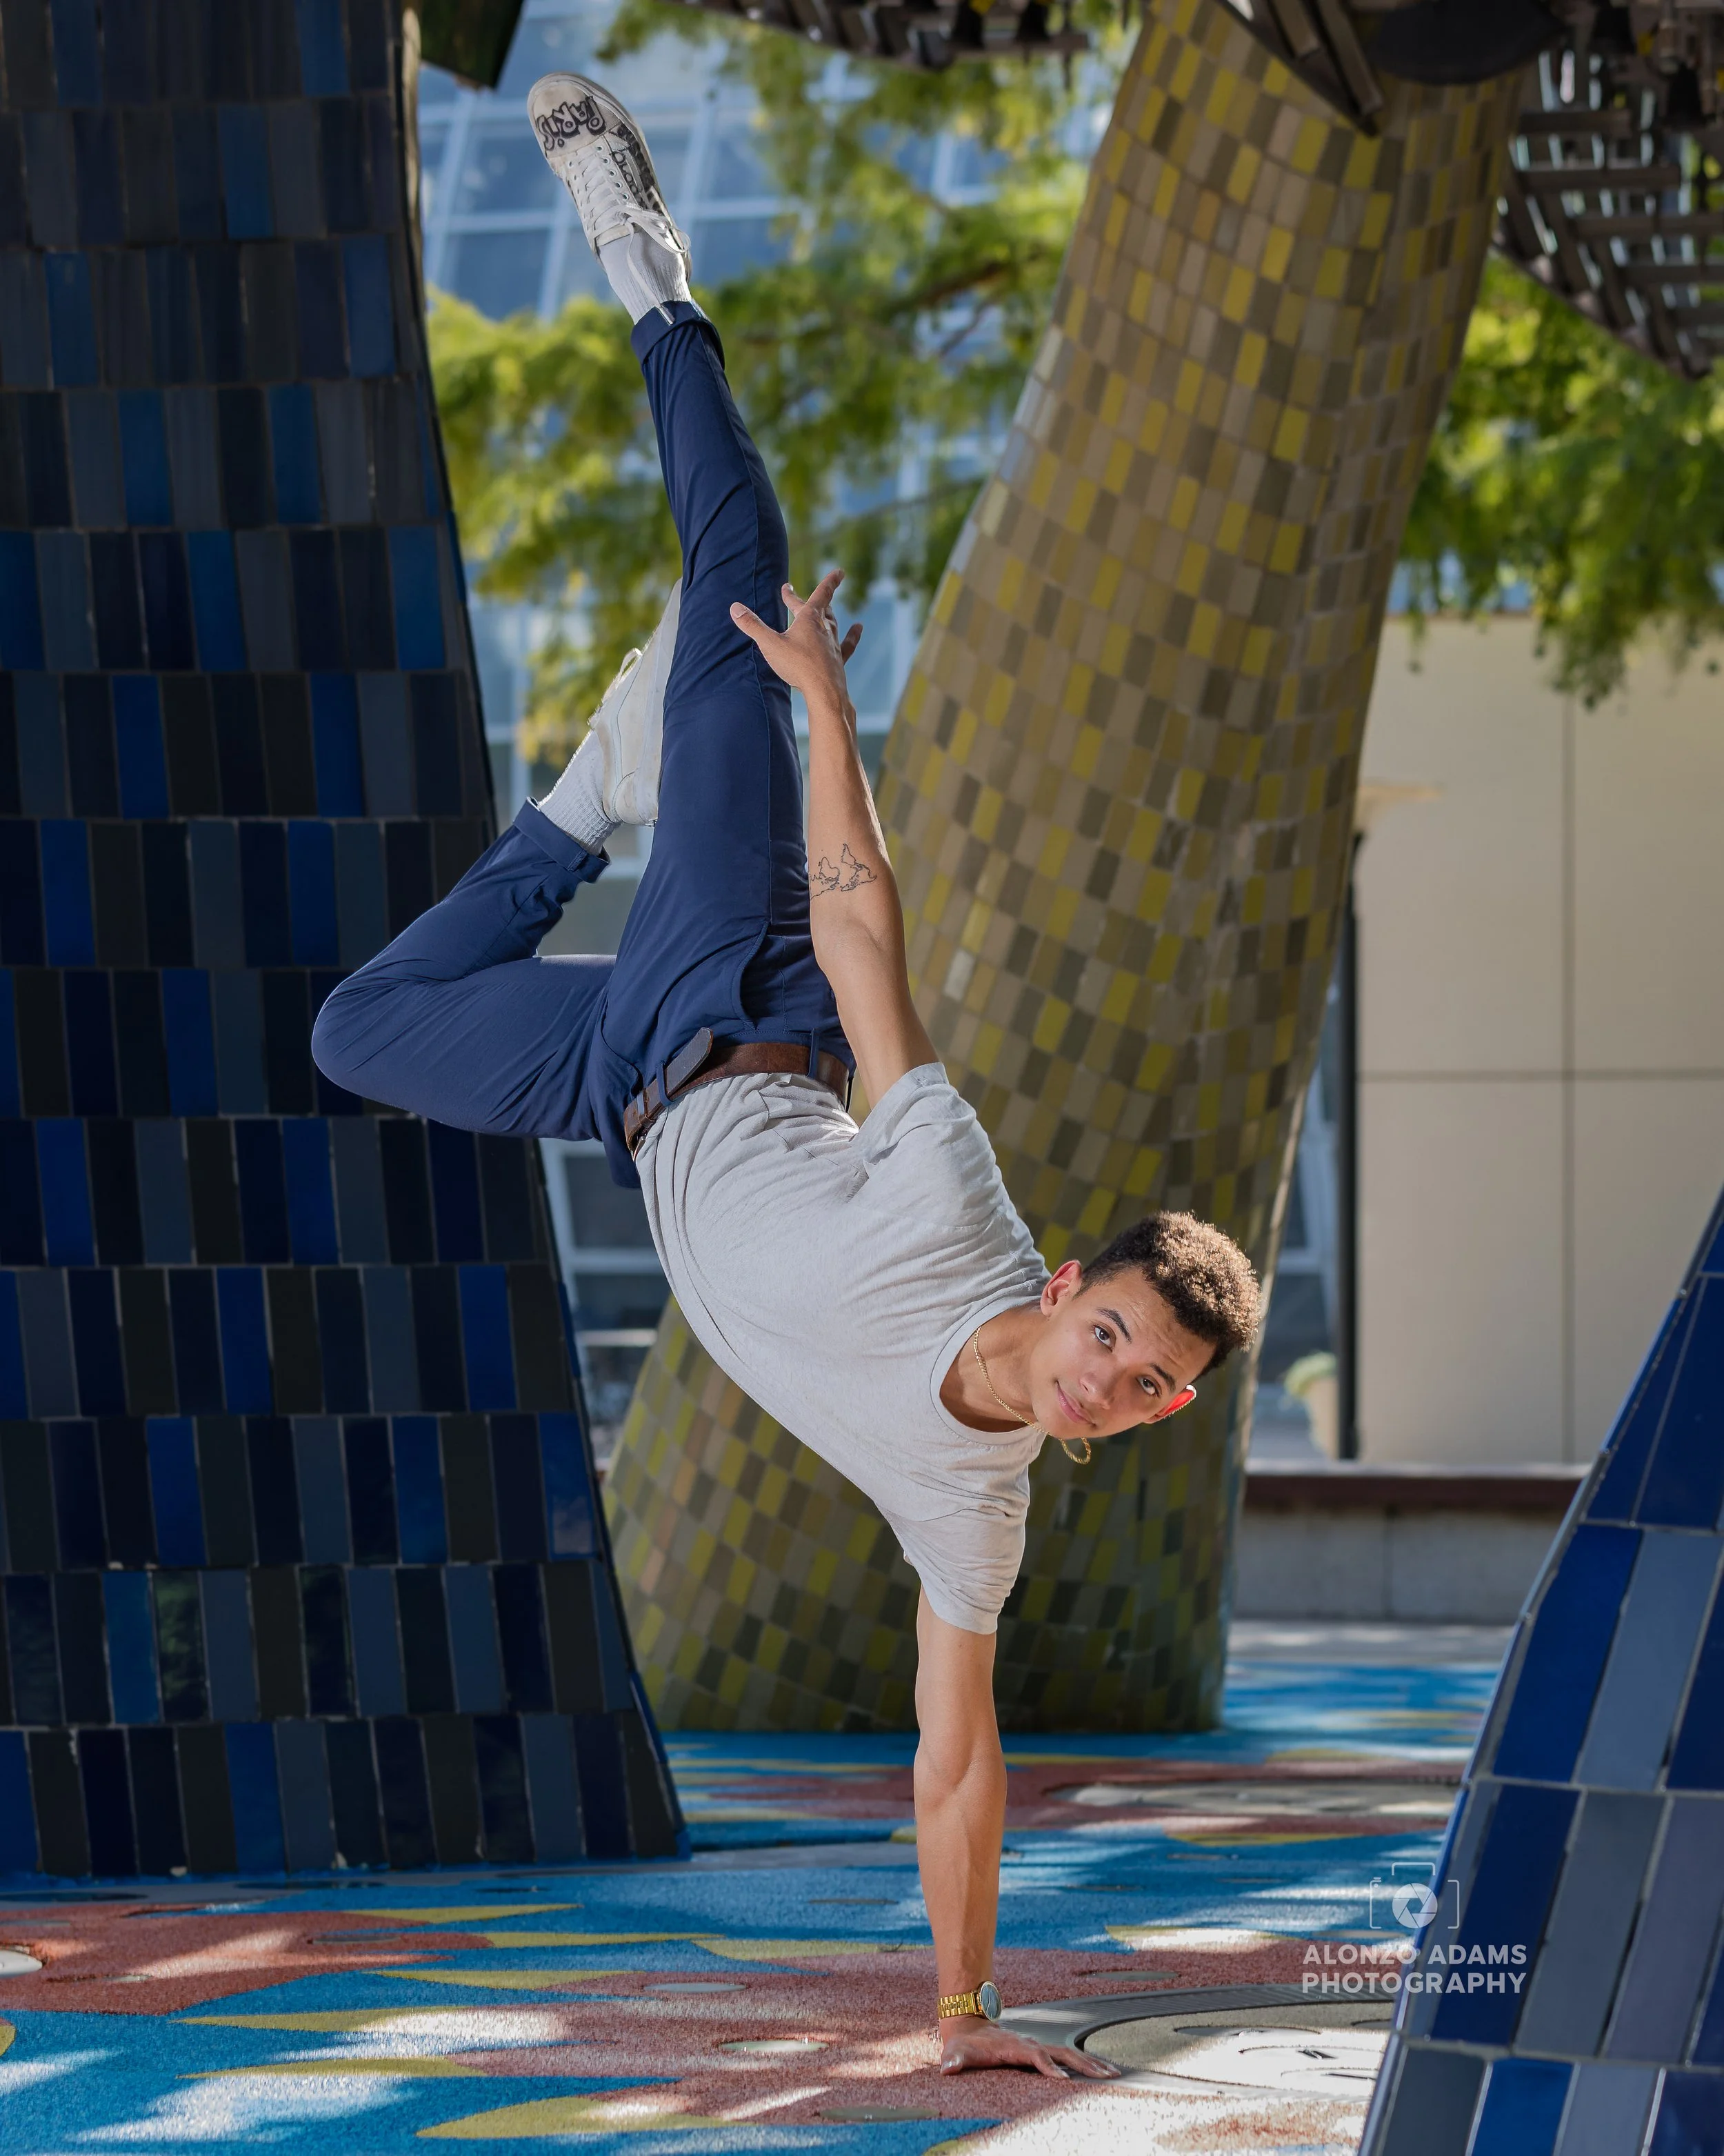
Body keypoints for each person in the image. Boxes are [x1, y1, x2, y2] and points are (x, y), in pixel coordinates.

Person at [313, 71, 1262, 2080]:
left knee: (355, 1032)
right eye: (1108, 1331)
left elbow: (952, 1757)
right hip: (733, 993)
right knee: (738, 584)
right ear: (1064, 1289)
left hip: (617, 1099)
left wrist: (966, 2015)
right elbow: (862, 939)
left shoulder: (975, 1515)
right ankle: (646, 266)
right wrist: (827, 709)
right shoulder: (963, 1208)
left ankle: (589, 794)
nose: (1104, 1378)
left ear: (1155, 1408)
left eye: (1141, 1380)